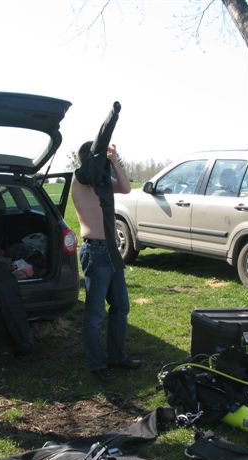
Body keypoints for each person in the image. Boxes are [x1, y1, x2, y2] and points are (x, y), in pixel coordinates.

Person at [72, 141, 141, 381]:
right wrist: (99, 156)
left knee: (121, 306)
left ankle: (117, 356)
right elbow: (89, 170)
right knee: (95, 314)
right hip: (95, 251)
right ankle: (97, 365)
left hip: (111, 251)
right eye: (99, 158)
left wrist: (114, 159)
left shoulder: (102, 183)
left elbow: (125, 187)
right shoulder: (81, 180)